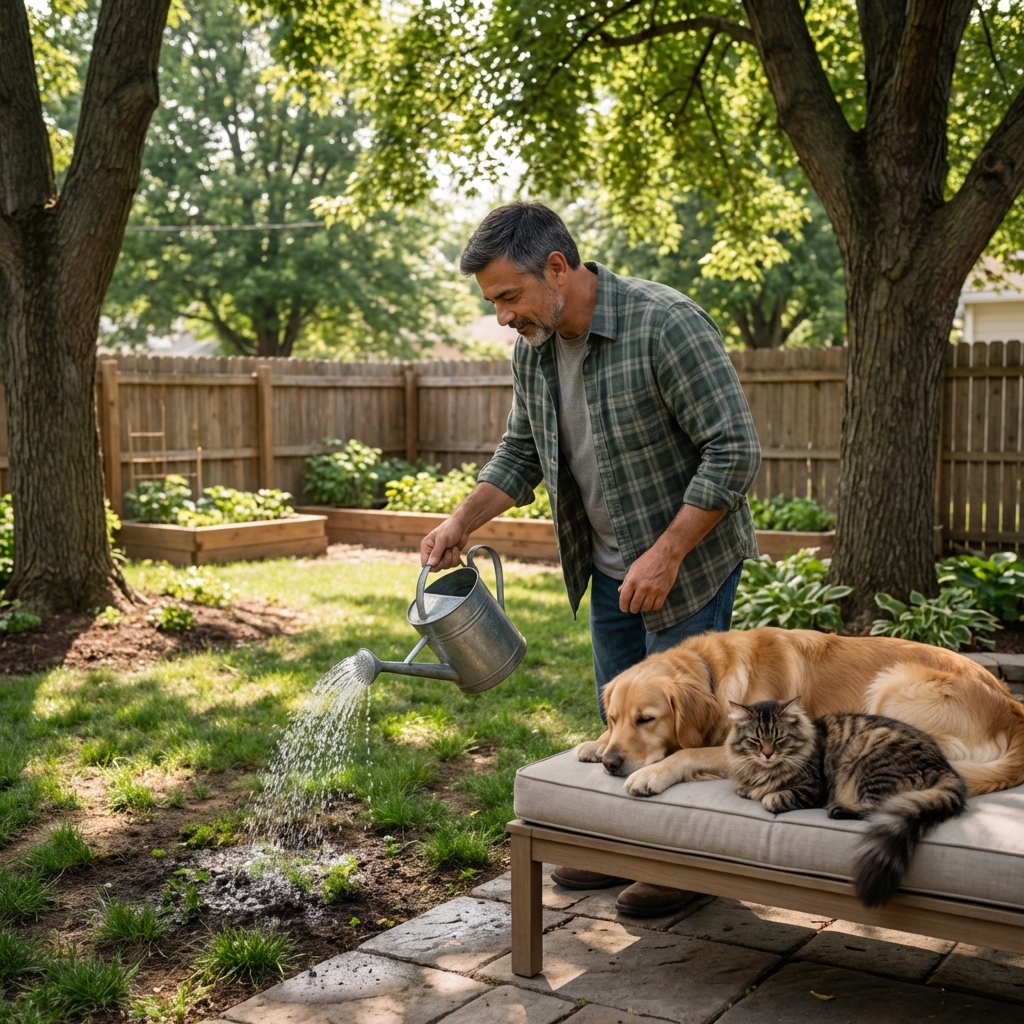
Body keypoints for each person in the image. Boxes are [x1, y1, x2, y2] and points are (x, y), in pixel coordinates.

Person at [421, 202, 761, 917]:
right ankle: (623, 848)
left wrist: (667, 553)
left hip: (688, 565)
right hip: (607, 569)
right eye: (493, 303)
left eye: (508, 297)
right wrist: (460, 521)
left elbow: (734, 449)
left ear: (556, 268)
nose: (502, 317)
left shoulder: (664, 324)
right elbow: (520, 453)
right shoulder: (534, 349)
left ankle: (682, 863)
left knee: (682, 726)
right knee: (624, 728)